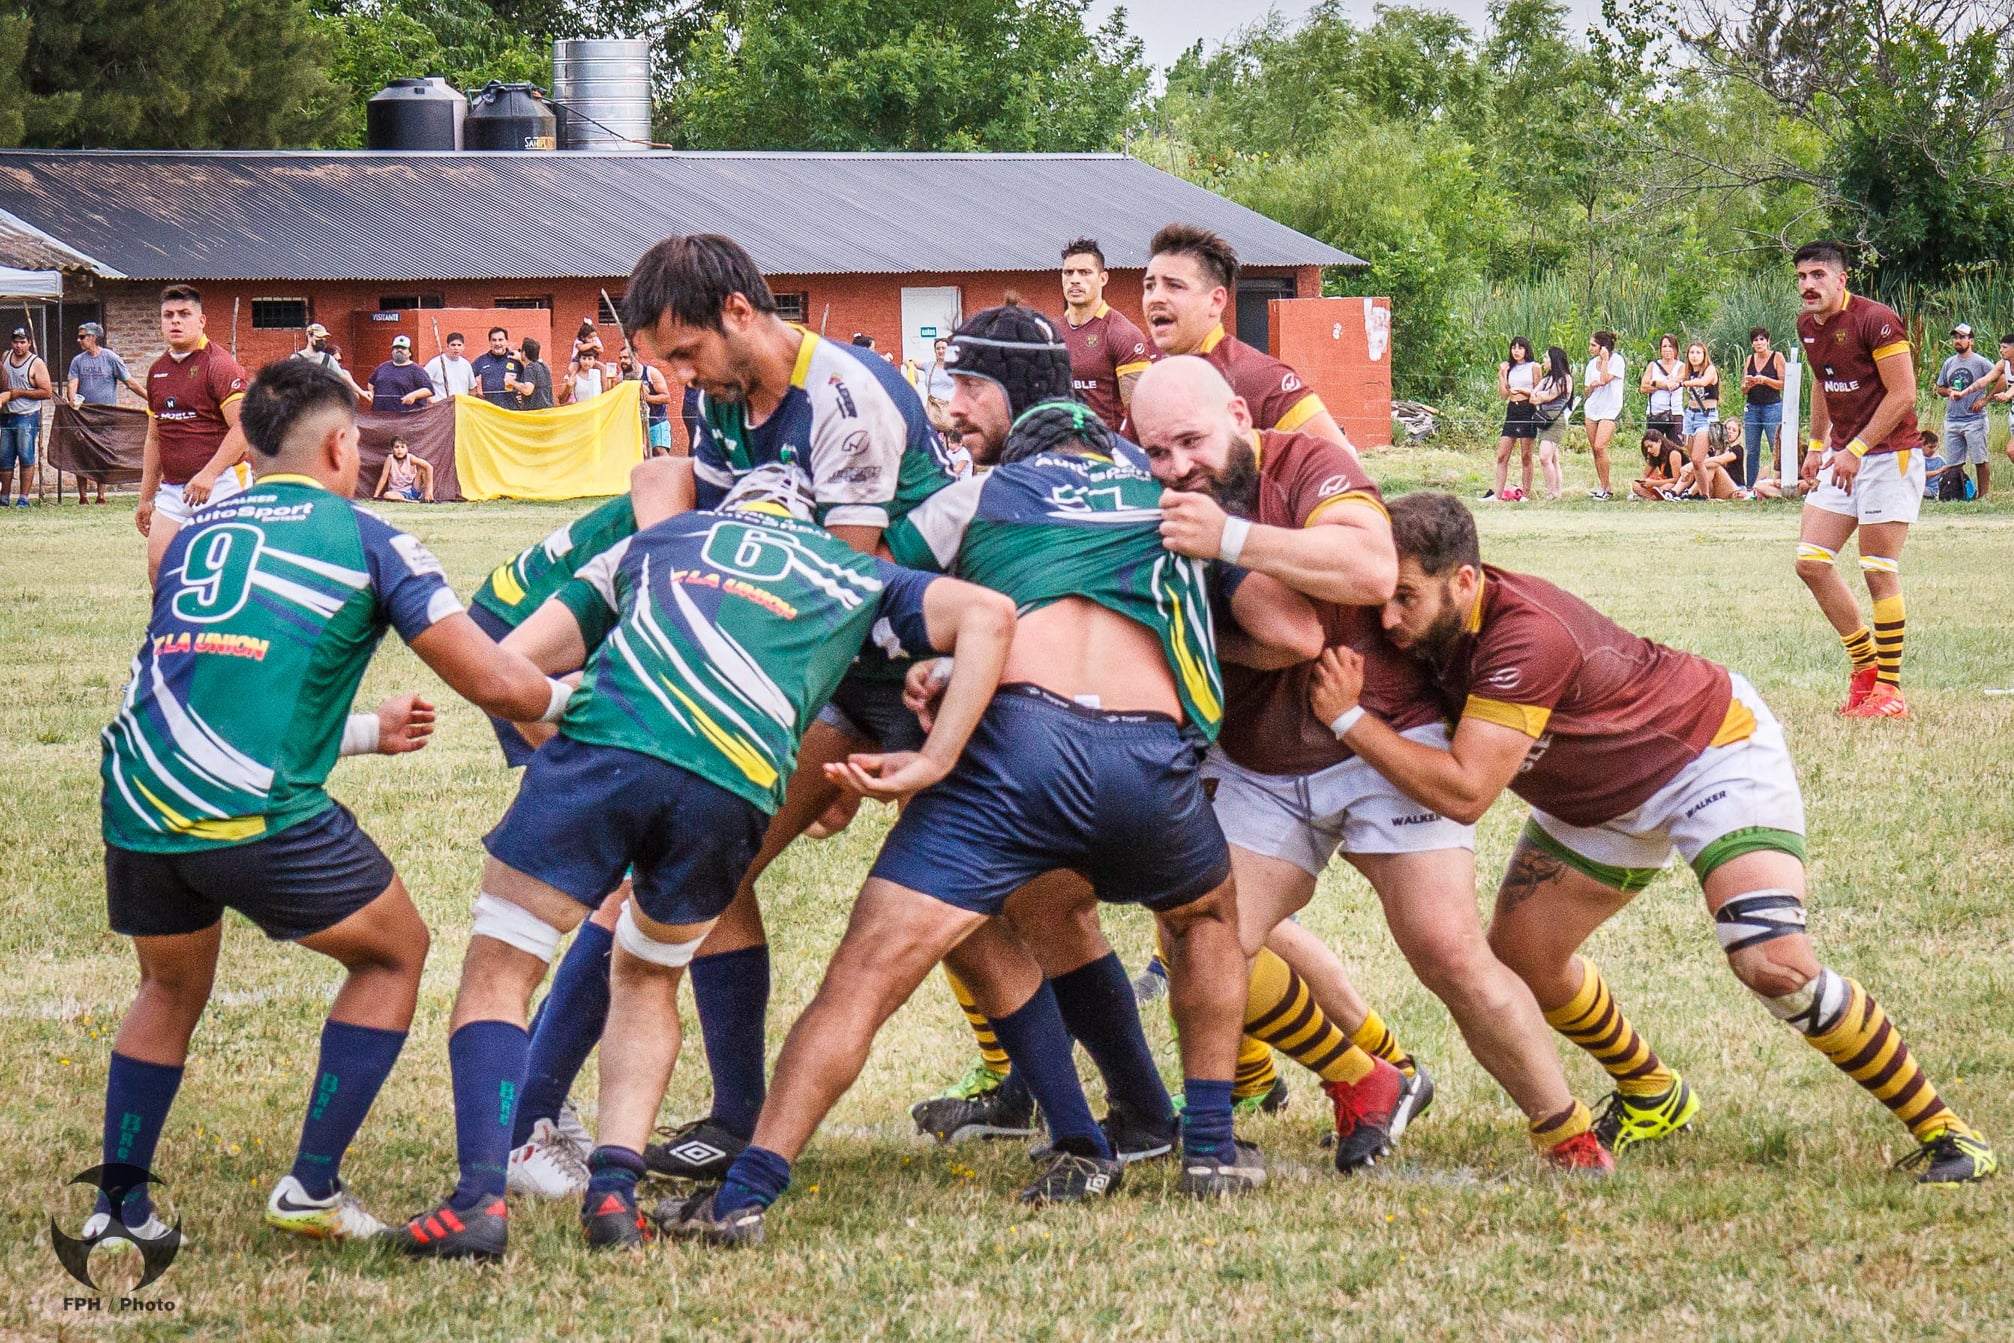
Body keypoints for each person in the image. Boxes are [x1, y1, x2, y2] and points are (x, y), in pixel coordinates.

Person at [665, 368, 1324, 1250]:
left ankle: (745, 1191)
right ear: (1115, 452)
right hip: (1147, 757)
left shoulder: (982, 491)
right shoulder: (1170, 504)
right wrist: (1177, 634)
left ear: (1019, 457)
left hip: (1014, 752)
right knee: (1204, 918)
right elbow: (1292, 633)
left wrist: (935, 664)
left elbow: (863, 585)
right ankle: (1208, 1146)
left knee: (861, 980)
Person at [392, 465, 1018, 1260]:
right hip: (734, 786)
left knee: (501, 969)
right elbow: (991, 614)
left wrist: (567, 733)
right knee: (648, 975)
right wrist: (934, 759)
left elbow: (507, 664)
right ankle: (613, 1197)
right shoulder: (850, 568)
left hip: (609, 743)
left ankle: (479, 1199)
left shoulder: (663, 538)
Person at [1312, 490, 1998, 1184]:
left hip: (1706, 754)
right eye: (1382, 598)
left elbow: (1466, 791)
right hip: (1600, 796)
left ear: (1464, 581)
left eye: (1406, 597)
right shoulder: (1429, 628)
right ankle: (1652, 1090)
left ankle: (1949, 1132)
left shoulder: (1526, 635)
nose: (1389, 618)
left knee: (1774, 963)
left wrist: (1348, 721)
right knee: (1524, 957)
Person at [500, 233, 966, 1188]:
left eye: (686, 352)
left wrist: (788, 744)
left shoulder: (846, 399)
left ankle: (530, 1112)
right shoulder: (724, 395)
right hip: (834, 662)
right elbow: (708, 550)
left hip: (903, 666)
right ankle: (716, 1111)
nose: (681, 378)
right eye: (665, 362)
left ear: (741, 313)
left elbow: (833, 596)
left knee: (1009, 920)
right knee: (697, 867)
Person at [91, 357, 571, 1249]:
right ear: (345, 445)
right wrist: (596, 702)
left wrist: (364, 732)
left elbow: (224, 685)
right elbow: (500, 684)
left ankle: (117, 1209)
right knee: (395, 952)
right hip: (247, 809)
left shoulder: (193, 535)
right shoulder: (369, 538)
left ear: (253, 447)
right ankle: (310, 1186)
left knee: (167, 985)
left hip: (137, 794)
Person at [1133, 356, 1611, 1173]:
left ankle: (1567, 1134)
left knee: (1447, 949)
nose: (1178, 467)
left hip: (1385, 734)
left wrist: (1229, 540)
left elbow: (1371, 569)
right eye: (1157, 451)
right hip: (1260, 758)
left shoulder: (1307, 461)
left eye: (1191, 441)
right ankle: (1361, 1078)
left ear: (1240, 419)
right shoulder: (1152, 499)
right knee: (1203, 941)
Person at [1791, 240, 1924, 721]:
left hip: (1890, 456)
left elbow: (1904, 394)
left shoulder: (1876, 320)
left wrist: (1857, 449)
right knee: (1810, 563)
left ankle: (1890, 691)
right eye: (1802, 277)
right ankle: (1865, 669)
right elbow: (1823, 382)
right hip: (1844, 454)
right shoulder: (1808, 326)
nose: (1808, 285)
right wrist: (1816, 446)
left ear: (1841, 279)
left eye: (1818, 275)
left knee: (1877, 570)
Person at [1131, 223, 1349, 448]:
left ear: (1216, 301)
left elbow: (1342, 460)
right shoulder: (1147, 367)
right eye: (1149, 286)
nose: (1155, 298)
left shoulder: (1259, 377)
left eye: (1174, 286)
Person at [139, 286, 254, 584]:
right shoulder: (157, 370)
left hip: (222, 483)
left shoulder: (219, 365)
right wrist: (146, 498)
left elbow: (243, 428)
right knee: (159, 566)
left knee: (222, 572)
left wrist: (209, 474)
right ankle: (173, 617)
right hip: (174, 489)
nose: (175, 321)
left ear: (201, 320)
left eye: (184, 314)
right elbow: (154, 438)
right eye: (168, 315)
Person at [1059, 237, 1157, 427]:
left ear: (1103, 278)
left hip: (1105, 442)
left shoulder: (1122, 334)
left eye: (1085, 272)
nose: (1075, 280)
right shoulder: (1050, 333)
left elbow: (1144, 411)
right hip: (1059, 442)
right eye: (1068, 273)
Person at [1934, 324, 1994, 499]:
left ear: (1971, 340)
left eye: (1962, 337)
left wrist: (1985, 400)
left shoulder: (1980, 362)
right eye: (1956, 337)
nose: (1958, 341)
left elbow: (2001, 378)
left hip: (1974, 418)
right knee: (1954, 463)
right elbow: (1940, 388)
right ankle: (1957, 495)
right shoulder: (1949, 363)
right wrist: (1948, 391)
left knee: (1979, 459)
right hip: (1953, 418)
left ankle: (1983, 496)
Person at [1, 326, 52, 507]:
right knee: (4, 458)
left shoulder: (36, 363)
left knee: (25, 456)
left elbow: (47, 392)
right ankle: (4, 497)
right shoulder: (6, 357)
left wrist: (20, 392)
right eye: (15, 342)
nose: (18, 346)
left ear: (29, 343)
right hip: (6, 414)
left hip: (26, 416)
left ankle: (23, 498)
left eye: (22, 342)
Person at [1489, 337, 1537, 502]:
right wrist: (1502, 374)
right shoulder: (1510, 368)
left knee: (1526, 455)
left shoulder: (1534, 366)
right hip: (1512, 410)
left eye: (1520, 348)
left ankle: (1525, 494)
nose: (1516, 351)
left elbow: (1538, 392)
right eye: (1514, 348)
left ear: (1526, 350)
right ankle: (1497, 494)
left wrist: (1523, 391)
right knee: (1502, 455)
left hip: (1527, 409)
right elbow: (1504, 395)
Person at [1740, 327, 1787, 487]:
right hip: (1752, 407)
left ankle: (1782, 481)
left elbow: (1784, 383)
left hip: (1772, 407)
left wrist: (1765, 380)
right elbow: (1743, 388)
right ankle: (1751, 486)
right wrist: (1748, 385)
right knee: (1752, 449)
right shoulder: (1750, 359)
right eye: (1755, 340)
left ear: (1768, 341)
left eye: (1762, 339)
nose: (1759, 343)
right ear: (1752, 344)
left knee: (1776, 446)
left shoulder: (1777, 357)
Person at [1582, 332, 1625, 500]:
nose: (1590, 348)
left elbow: (1605, 379)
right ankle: (1603, 485)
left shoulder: (1617, 361)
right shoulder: (1591, 364)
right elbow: (1586, 392)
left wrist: (1605, 360)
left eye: (1593, 345)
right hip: (1593, 408)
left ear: (1603, 347)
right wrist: (1591, 387)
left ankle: (1606, 488)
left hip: (1610, 409)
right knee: (1595, 450)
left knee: (1600, 446)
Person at [1532, 345, 1573, 500]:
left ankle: (1551, 491)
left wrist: (1540, 395)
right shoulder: (1546, 379)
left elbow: (1549, 396)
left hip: (1555, 420)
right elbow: (1533, 397)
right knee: (1553, 458)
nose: (1544, 360)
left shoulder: (1565, 379)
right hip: (1544, 419)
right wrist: (1540, 395)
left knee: (1544, 457)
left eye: (1546, 357)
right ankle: (1556, 491)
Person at [291, 323, 371, 403]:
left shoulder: (328, 359)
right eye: (319, 337)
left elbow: (344, 378)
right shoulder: (297, 358)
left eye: (324, 337)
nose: (322, 340)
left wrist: (362, 392)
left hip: (322, 402)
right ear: (309, 337)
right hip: (303, 402)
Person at [1680, 340, 1723, 484]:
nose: (1694, 356)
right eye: (1691, 352)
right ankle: (1702, 489)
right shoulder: (1687, 371)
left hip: (1706, 416)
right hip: (1690, 415)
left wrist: (1684, 383)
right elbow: (1672, 379)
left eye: (1698, 352)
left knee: (1698, 460)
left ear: (1704, 355)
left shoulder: (1710, 369)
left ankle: (1705, 493)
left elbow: (1703, 382)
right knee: (1695, 460)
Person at [366, 335, 434, 414]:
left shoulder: (417, 370)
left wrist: (414, 395)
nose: (399, 350)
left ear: (410, 353)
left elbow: (429, 390)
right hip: (380, 416)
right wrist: (372, 395)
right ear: (392, 351)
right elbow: (371, 383)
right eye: (396, 348)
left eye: (403, 348)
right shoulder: (382, 367)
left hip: (407, 417)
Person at [625, 345, 674, 453]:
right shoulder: (621, 378)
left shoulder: (650, 373)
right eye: (621, 358)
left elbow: (666, 398)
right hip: (636, 425)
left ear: (635, 357)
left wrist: (647, 398)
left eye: (626, 357)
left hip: (656, 422)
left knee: (660, 451)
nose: (623, 361)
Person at [1641, 334, 1684, 445]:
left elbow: (1677, 383)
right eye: (1664, 346)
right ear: (1660, 349)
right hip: (1655, 413)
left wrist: (1655, 383)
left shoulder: (1681, 366)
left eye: (1670, 346)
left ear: (1675, 349)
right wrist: (1663, 385)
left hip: (1675, 413)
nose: (1667, 349)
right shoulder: (1653, 365)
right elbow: (1643, 387)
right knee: (1652, 446)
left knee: (1676, 447)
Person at [470, 328, 524, 408]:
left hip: (513, 411)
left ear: (507, 341)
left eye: (500, 340)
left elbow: (533, 377)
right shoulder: (481, 361)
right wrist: (475, 392)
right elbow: (467, 378)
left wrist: (522, 361)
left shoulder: (516, 359)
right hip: (490, 411)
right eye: (494, 340)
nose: (497, 343)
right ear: (490, 342)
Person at [372, 436, 434, 501]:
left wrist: (429, 491)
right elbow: (383, 479)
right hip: (397, 493)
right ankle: (409, 501)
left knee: (423, 470)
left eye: (402, 447)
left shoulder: (410, 458)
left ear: (406, 449)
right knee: (386, 495)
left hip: (412, 490)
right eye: (397, 447)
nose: (399, 450)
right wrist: (375, 496)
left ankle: (428, 497)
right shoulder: (390, 459)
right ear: (392, 449)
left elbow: (429, 467)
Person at [1630, 431, 1685, 500]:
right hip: (1662, 482)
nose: (1648, 450)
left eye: (1650, 446)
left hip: (1678, 484)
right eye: (1647, 448)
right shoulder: (1654, 455)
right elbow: (1645, 475)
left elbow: (1676, 480)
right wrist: (1643, 483)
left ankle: (1651, 497)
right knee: (1635, 485)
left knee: (1667, 487)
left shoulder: (1673, 453)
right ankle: (1653, 497)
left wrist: (1654, 483)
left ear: (1659, 442)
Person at [424, 332, 476, 401]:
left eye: (459, 345)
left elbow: (472, 388)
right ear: (447, 346)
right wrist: (433, 401)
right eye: (453, 345)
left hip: (460, 405)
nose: (456, 348)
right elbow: (421, 385)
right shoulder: (435, 363)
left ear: (463, 347)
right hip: (441, 405)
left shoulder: (466, 364)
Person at [515, 337, 555, 410]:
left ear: (523, 353)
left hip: (535, 413)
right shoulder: (544, 366)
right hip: (548, 410)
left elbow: (527, 390)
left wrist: (512, 382)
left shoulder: (530, 368)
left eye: (520, 351)